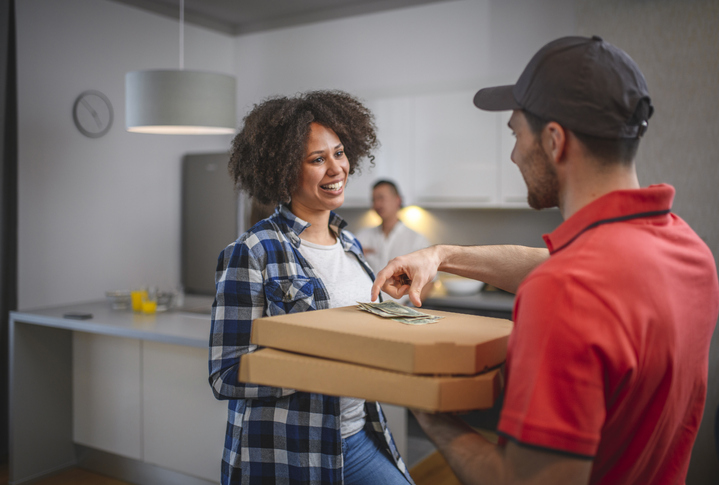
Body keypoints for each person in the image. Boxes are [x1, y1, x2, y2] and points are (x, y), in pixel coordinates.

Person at [371, 35, 719, 485]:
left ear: (555, 141)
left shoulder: (564, 290)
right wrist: (442, 254)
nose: (514, 154)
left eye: (516, 133)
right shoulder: (688, 249)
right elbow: (554, 265)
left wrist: (423, 403)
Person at [208, 90, 415, 485]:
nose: (336, 168)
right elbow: (226, 373)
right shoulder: (252, 251)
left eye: (339, 153)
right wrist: (326, 368)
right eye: (317, 159)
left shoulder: (350, 244)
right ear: (284, 171)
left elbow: (352, 325)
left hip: (358, 433)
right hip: (291, 451)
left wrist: (390, 302)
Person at [356, 180, 432, 302]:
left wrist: (409, 307)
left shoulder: (417, 240)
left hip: (400, 309)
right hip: (367, 308)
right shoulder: (362, 237)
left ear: (398, 200)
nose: (377, 204)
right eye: (374, 200)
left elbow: (430, 282)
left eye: (381, 198)